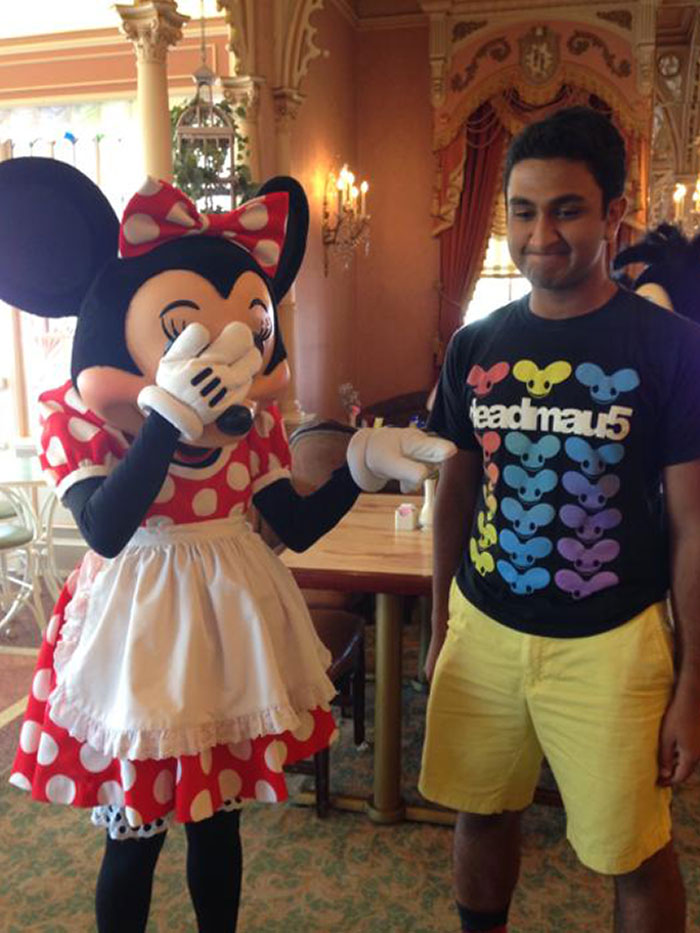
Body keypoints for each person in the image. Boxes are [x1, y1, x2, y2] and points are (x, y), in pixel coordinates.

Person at [0, 158, 454, 933]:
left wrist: (358, 467)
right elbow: (108, 527)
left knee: (218, 823)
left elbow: (298, 528)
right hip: (135, 630)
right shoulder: (82, 422)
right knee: (134, 839)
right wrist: (168, 418)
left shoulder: (255, 427)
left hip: (229, 624)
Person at [419, 106, 700, 933]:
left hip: (613, 639)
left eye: (568, 209)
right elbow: (455, 495)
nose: (542, 233)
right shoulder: (473, 346)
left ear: (614, 213)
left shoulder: (672, 347)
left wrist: (696, 682)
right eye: (523, 209)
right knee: (479, 810)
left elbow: (693, 523)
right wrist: (441, 624)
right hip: (486, 622)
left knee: (635, 850)